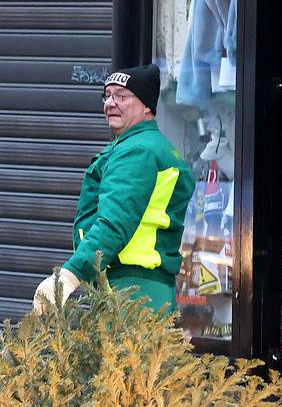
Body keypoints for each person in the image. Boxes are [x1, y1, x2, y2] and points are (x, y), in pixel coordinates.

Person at [34, 64, 195, 314]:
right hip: (143, 290)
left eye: (121, 96)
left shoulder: (137, 151)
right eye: (107, 95)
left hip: (131, 292)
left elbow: (114, 223)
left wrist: (69, 276)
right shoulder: (152, 148)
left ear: (146, 106)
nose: (110, 103)